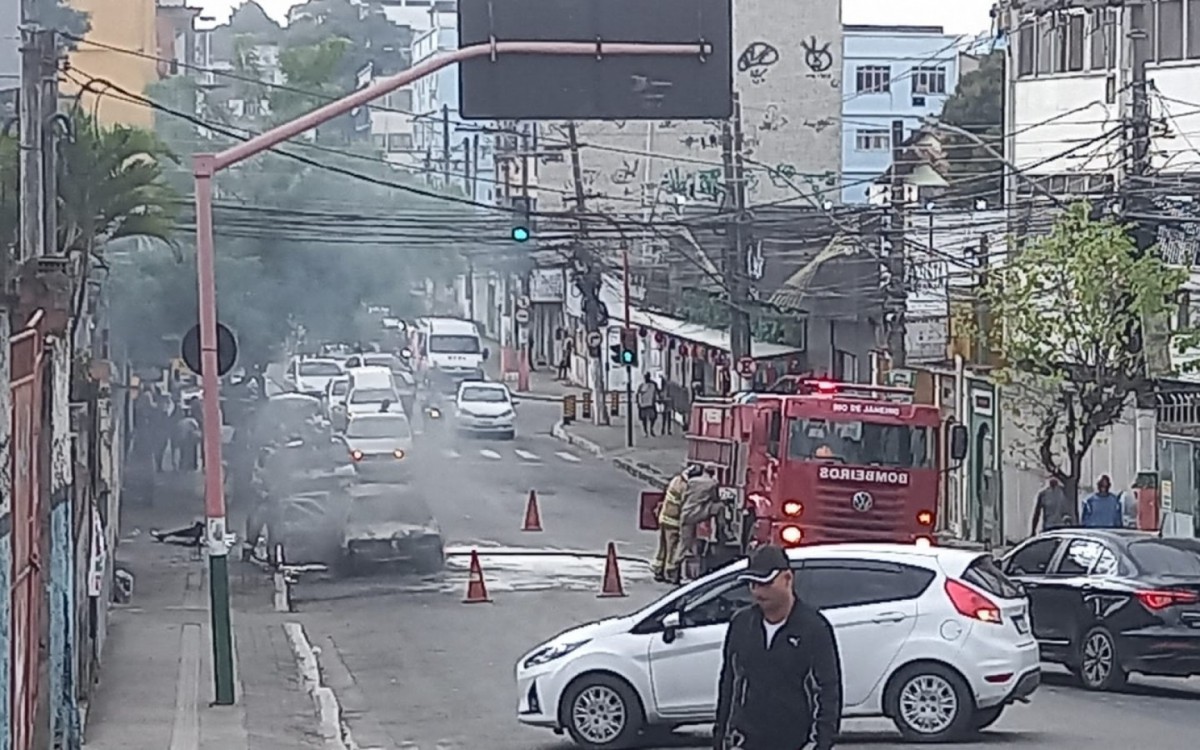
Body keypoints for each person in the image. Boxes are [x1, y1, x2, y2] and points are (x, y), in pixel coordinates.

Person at [714, 544, 841, 750]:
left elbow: (828, 692)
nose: (758, 591)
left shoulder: (814, 628)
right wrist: (721, 739)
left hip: (796, 742)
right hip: (747, 741)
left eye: (766, 583)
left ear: (787, 579)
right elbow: (729, 684)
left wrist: (820, 743)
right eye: (753, 584)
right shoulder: (741, 624)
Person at [653, 464, 699, 584]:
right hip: (673, 521)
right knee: (672, 549)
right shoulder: (685, 487)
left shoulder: (676, 480)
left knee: (663, 547)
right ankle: (671, 574)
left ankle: (658, 570)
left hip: (664, 518)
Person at [636, 372, 659, 437]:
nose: (646, 378)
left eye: (647, 377)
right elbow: (638, 394)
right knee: (644, 419)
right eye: (645, 377)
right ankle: (646, 431)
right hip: (643, 405)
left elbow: (656, 393)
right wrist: (638, 403)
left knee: (653, 418)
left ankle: (651, 429)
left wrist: (656, 400)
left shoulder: (653, 385)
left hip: (651, 404)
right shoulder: (642, 385)